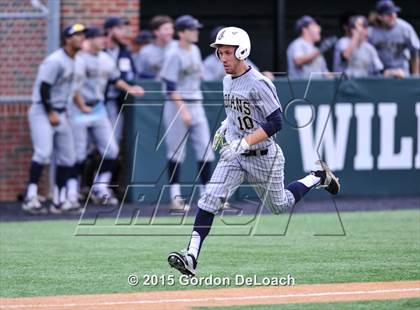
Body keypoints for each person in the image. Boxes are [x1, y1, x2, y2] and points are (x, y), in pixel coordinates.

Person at [167, 27, 340, 276]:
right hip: (235, 156)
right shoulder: (227, 80)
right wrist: (226, 126)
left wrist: (243, 143)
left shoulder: (259, 83)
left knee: (279, 205)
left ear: (242, 51)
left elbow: (276, 122)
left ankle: (317, 176)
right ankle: (191, 256)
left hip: (263, 156)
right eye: (220, 53)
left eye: (228, 52)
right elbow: (238, 112)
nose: (223, 58)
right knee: (209, 200)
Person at [70, 27, 144, 206]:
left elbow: (114, 79)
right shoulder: (79, 58)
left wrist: (130, 89)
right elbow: (73, 86)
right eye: (97, 37)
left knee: (111, 150)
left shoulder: (106, 58)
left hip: (98, 108)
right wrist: (80, 106)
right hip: (79, 108)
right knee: (79, 153)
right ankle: (72, 192)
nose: (102, 40)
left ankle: (100, 186)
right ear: (88, 40)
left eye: (102, 36)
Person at [22, 23, 86, 215]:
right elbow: (44, 88)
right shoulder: (55, 60)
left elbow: (70, 89)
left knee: (68, 157)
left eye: (83, 34)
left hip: (61, 111)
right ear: (67, 39)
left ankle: (59, 200)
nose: (82, 38)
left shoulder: (76, 60)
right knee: (43, 153)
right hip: (43, 110)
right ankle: (30, 197)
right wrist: (50, 113)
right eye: (77, 35)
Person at [159, 15, 215, 211]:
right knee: (176, 151)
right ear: (181, 33)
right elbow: (170, 87)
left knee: (206, 149)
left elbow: (196, 75)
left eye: (196, 29)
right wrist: (183, 111)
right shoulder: (174, 54)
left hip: (196, 102)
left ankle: (206, 195)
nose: (196, 32)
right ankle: (175, 197)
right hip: (177, 105)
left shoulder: (196, 50)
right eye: (192, 29)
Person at [104, 16, 139, 142]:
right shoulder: (99, 51)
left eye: (124, 28)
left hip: (117, 101)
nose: (123, 32)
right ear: (109, 30)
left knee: (113, 140)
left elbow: (133, 73)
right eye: (119, 28)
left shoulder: (124, 52)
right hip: (96, 101)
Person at [368, 0, 420, 78]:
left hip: (402, 74)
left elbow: (415, 52)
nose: (393, 16)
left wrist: (416, 76)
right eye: (388, 14)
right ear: (380, 16)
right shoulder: (371, 31)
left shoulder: (405, 28)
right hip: (379, 76)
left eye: (394, 12)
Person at [203, 26, 274, 81]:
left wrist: (262, 75)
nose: (223, 59)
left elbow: (252, 72)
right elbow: (207, 82)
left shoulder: (238, 57)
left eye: (228, 52)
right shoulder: (209, 62)